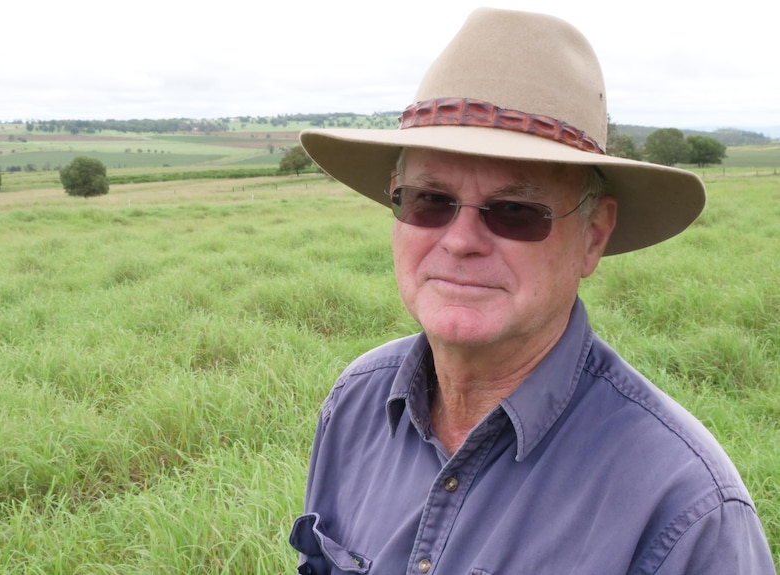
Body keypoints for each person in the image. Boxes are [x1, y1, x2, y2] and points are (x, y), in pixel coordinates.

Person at [288, 7, 775, 575]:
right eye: (429, 200)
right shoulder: (355, 405)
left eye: (516, 211)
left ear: (593, 236)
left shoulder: (686, 509)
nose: (461, 240)